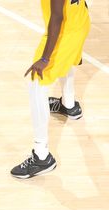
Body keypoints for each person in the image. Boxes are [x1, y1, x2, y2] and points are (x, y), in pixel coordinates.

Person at [11, 0, 90, 179]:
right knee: (65, 60)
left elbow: (57, 17)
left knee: (36, 81)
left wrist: (45, 59)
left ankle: (42, 156)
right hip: (79, 20)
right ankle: (69, 105)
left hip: (65, 29)